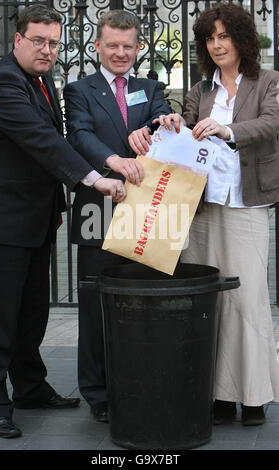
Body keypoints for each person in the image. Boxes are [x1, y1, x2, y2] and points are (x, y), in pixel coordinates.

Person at [0, 5, 126, 439]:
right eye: (39, 41)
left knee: (31, 313)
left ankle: (30, 387)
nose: (47, 49)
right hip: (3, 223)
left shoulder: (42, 79)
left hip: (36, 218)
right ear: (18, 40)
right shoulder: (3, 82)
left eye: (53, 42)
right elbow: (42, 140)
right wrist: (94, 178)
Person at [158, 3, 279, 426]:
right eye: (210, 38)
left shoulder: (268, 82)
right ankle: (219, 396)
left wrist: (228, 130)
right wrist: (173, 122)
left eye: (224, 36)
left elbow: (271, 123)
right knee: (210, 303)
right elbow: (186, 129)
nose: (217, 44)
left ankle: (252, 396)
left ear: (242, 39)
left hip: (246, 205)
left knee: (247, 302)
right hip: (204, 208)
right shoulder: (200, 90)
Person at [63, 9, 172, 423]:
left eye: (128, 46)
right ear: (97, 46)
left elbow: (163, 119)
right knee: (96, 306)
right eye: (112, 45)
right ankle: (98, 394)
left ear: (139, 47)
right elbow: (80, 135)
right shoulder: (80, 89)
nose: (120, 53)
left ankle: (144, 381)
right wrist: (114, 161)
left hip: (148, 209)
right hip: (99, 206)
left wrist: (168, 121)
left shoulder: (151, 87)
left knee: (146, 303)